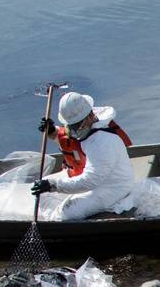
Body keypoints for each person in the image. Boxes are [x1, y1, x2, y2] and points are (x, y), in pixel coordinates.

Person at [32, 92, 135, 220]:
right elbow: (69, 142)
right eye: (72, 126)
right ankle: (51, 220)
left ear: (91, 115)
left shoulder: (102, 142)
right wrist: (52, 131)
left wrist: (53, 185)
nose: (75, 130)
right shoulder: (85, 129)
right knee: (40, 194)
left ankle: (57, 222)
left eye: (77, 125)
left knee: (64, 215)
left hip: (111, 187)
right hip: (84, 175)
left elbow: (90, 180)